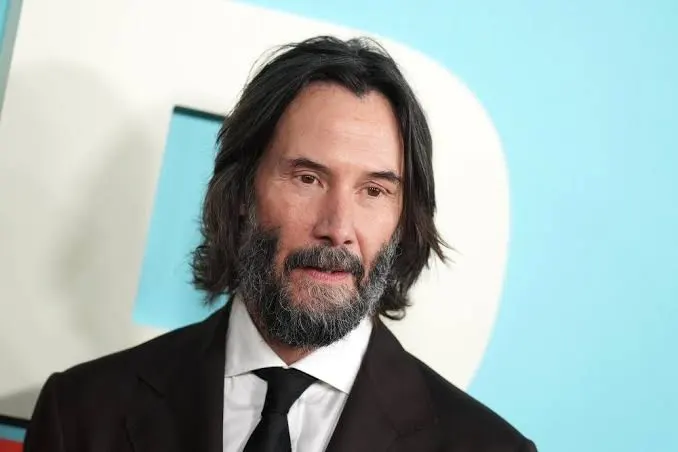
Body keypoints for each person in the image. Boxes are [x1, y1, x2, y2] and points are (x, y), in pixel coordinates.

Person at [24, 36, 537, 452]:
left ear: (404, 221)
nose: (338, 226)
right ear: (241, 192)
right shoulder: (81, 415)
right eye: (308, 179)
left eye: (374, 191)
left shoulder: (489, 449)